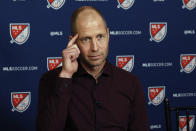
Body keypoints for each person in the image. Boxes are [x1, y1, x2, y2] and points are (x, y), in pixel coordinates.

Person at [36, 6, 149, 131]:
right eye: (86, 39)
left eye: (100, 36)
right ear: (73, 42)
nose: (95, 47)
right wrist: (66, 76)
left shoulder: (130, 82)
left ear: (108, 35)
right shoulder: (51, 80)